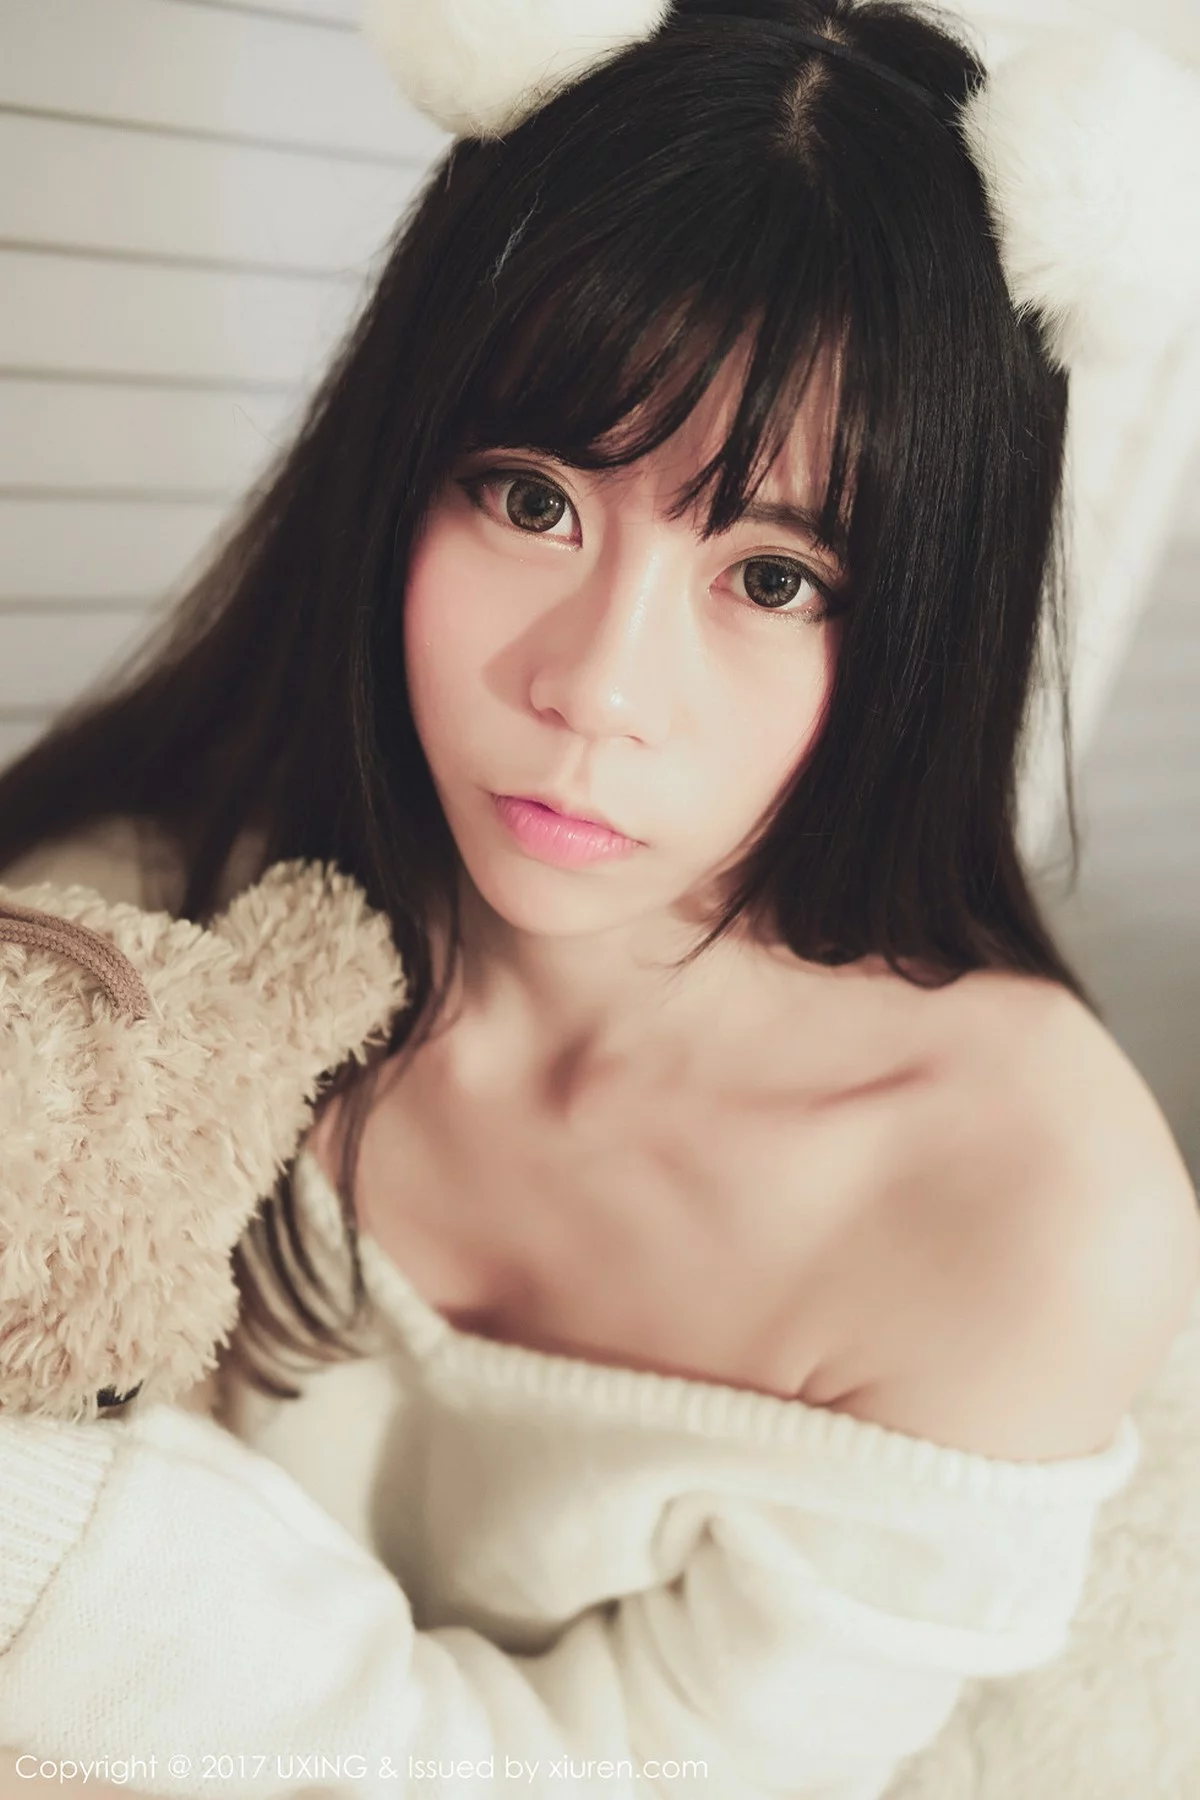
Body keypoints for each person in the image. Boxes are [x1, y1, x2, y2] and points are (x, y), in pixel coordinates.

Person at [0, 3, 1198, 1796]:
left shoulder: (1022, 1208)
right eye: (531, 497)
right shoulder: (157, 921)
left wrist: (64, 1566)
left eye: (777, 579)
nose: (598, 689)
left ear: (930, 627)